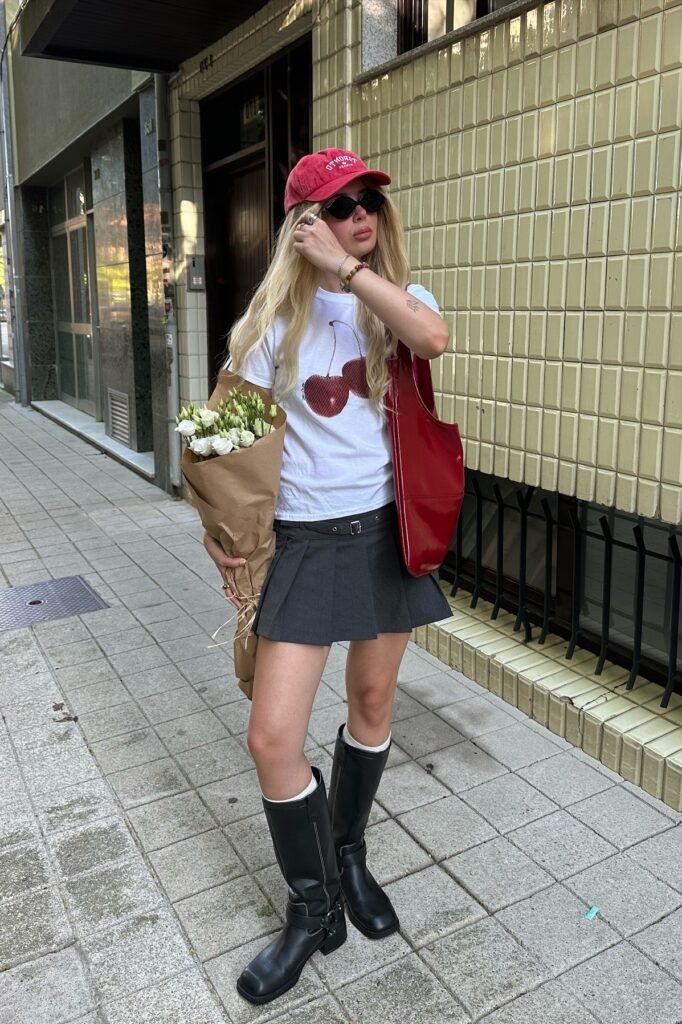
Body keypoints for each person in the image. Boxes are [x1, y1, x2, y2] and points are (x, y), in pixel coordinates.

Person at [203, 148, 452, 1006]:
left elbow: (434, 339)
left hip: (385, 534)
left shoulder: (395, 304)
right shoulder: (273, 317)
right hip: (306, 542)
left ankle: (348, 855)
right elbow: (223, 439)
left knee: (374, 706)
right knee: (273, 737)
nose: (361, 218)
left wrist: (350, 271)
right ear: (301, 224)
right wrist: (219, 526)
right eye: (340, 206)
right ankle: (313, 910)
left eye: (369, 203)